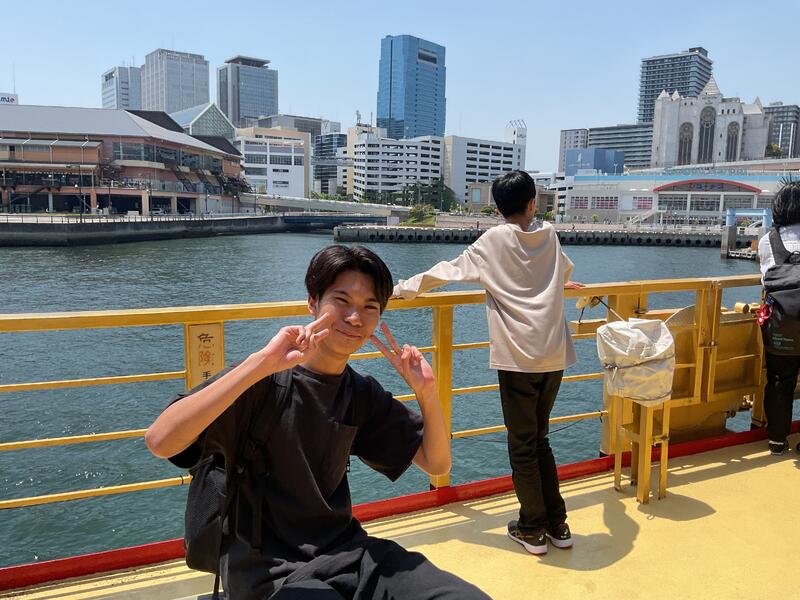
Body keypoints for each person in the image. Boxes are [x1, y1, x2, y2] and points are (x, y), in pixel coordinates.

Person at [145, 245, 489, 600]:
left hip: (347, 553)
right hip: (267, 571)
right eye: (341, 300)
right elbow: (160, 440)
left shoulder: (359, 393)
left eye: (370, 307)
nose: (355, 318)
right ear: (313, 302)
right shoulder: (261, 382)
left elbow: (436, 463)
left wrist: (426, 392)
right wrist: (262, 362)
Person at [393, 170, 582, 556]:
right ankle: (557, 524)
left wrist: (398, 290)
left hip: (519, 357)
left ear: (497, 209)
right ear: (533, 203)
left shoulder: (494, 240)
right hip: (554, 354)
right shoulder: (549, 234)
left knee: (523, 445)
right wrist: (557, 283)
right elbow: (563, 270)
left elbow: (446, 272)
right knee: (540, 439)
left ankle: (532, 528)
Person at [758, 180, 800, 455]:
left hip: (782, 323)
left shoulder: (768, 241)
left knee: (779, 379)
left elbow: (765, 278)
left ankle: (777, 440)